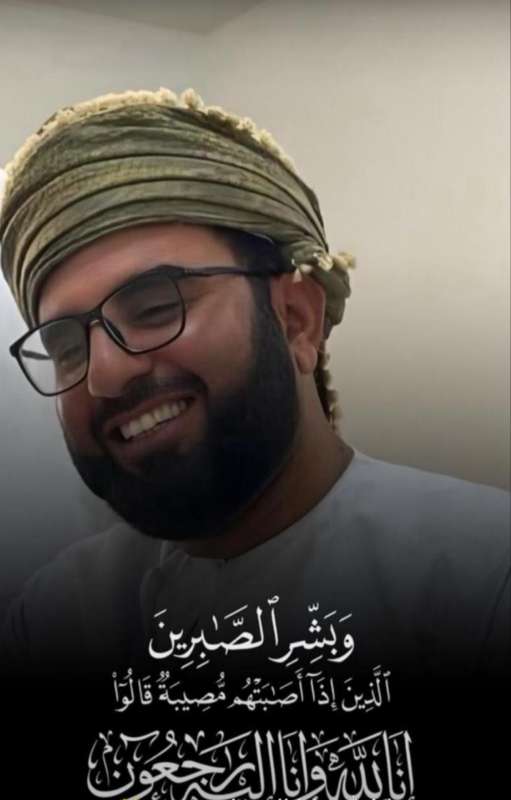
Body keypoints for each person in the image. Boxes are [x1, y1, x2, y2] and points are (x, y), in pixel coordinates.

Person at [0, 87, 509, 795]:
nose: (106, 374)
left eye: (155, 307)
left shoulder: (483, 582)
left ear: (296, 320)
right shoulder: (57, 616)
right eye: (66, 346)